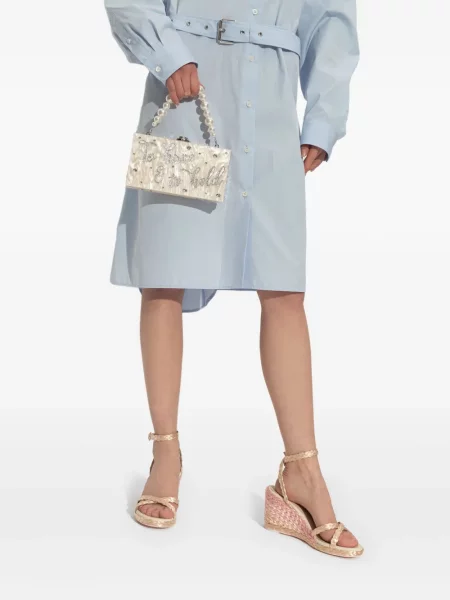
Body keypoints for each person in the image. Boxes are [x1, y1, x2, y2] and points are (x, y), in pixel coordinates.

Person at [104, 0, 362, 558]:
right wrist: (169, 53)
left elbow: (332, 18)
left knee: (285, 287)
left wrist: (323, 116)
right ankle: (165, 453)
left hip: (271, 111)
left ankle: (302, 474)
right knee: (164, 274)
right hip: (188, 96)